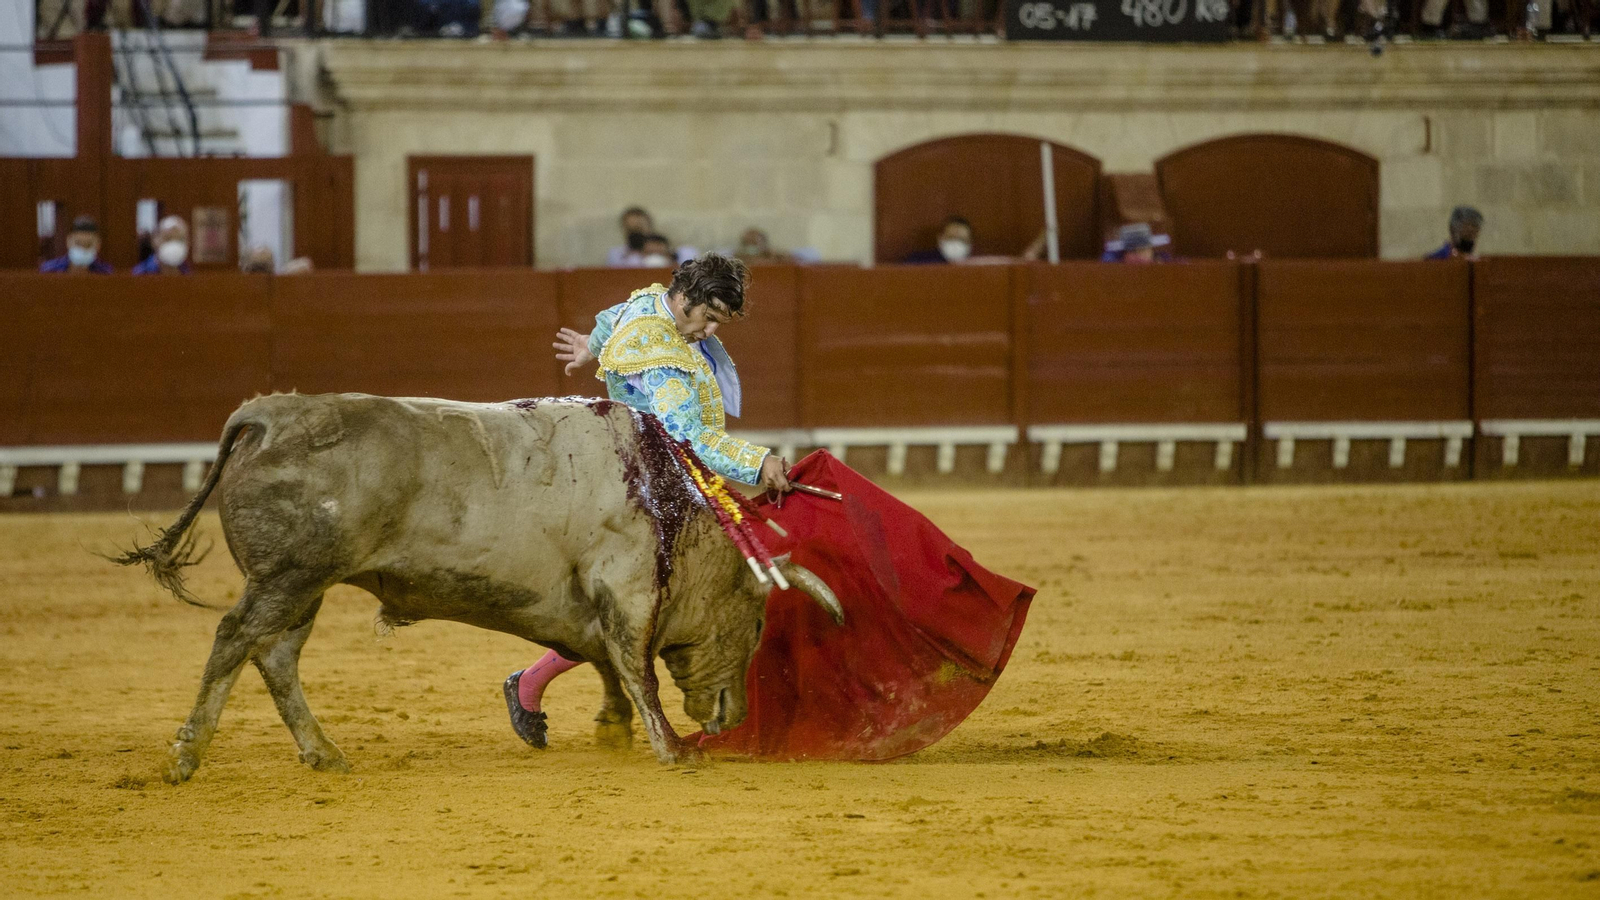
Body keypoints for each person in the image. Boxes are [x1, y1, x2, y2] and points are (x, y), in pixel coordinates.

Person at [504, 254, 790, 748]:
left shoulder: (649, 304)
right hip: (646, 489)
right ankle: (531, 682)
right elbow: (691, 439)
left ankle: (543, 685)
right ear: (685, 299)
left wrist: (591, 347)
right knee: (642, 606)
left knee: (633, 607)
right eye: (709, 317)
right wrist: (757, 462)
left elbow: (609, 318)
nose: (708, 331)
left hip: (625, 476)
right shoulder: (659, 357)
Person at [903, 215, 1048, 265]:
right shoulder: (917, 261)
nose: (956, 243)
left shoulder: (977, 265)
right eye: (952, 238)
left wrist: (1043, 238)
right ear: (940, 238)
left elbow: (1023, 262)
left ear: (970, 244)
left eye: (962, 240)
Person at [606, 207, 697, 267]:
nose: (637, 233)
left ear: (649, 226)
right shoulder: (618, 254)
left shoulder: (679, 251)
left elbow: (691, 261)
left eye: (639, 227)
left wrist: (669, 255)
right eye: (631, 229)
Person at [39, 216, 113, 274]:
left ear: (98, 245)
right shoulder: (49, 270)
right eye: (78, 244)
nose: (83, 249)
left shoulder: (106, 272)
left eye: (88, 245)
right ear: (68, 242)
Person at [1101, 222, 1172, 263]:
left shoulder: (1162, 263)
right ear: (1124, 254)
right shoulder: (1115, 266)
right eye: (1133, 251)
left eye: (1142, 250)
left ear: (1151, 251)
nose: (1139, 256)